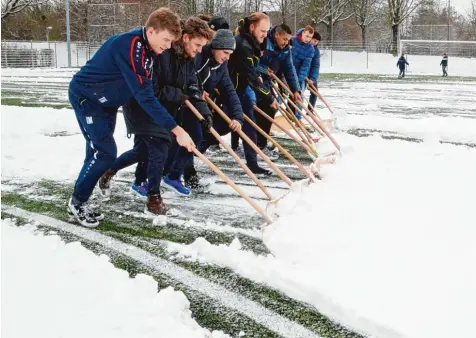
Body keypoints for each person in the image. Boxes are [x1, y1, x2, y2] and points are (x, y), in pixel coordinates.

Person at [67, 8, 193, 227]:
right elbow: (145, 96)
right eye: (165, 40)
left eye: (171, 41)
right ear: (151, 31)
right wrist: (176, 129)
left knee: (97, 152)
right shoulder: (132, 46)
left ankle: (79, 202)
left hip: (106, 102)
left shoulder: (149, 48)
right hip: (88, 98)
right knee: (105, 153)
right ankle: (77, 202)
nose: (168, 46)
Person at [161, 17, 215, 196]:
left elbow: (193, 86)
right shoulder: (166, 54)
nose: (199, 51)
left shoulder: (188, 59)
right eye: (197, 45)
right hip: (159, 106)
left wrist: (205, 112)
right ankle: (115, 172)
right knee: (146, 150)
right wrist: (179, 95)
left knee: (196, 135)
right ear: (185, 38)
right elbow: (156, 87)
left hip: (177, 105)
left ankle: (173, 176)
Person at [183, 27, 243, 188]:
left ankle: (184, 170)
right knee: (191, 134)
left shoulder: (221, 65)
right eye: (225, 53)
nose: (227, 58)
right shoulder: (199, 56)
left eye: (230, 54)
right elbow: (187, 77)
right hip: (183, 100)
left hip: (198, 103)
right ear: (216, 47)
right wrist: (197, 91)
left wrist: (238, 117)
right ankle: (182, 172)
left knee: (202, 133)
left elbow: (230, 90)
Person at [227, 12, 276, 175]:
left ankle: (252, 163)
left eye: (267, 31)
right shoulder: (242, 45)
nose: (265, 35)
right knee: (214, 130)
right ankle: (181, 166)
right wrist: (268, 97)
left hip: (240, 92)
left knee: (250, 126)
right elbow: (250, 75)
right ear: (252, 27)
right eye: (263, 31)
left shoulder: (251, 42)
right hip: (228, 93)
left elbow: (252, 72)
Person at [255, 23, 301, 155]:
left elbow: (289, 69)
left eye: (288, 39)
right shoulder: (263, 42)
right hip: (253, 80)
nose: (286, 42)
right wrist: (263, 69)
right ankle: (253, 143)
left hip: (267, 81)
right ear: (276, 35)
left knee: (271, 108)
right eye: (284, 39)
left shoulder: (286, 49)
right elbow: (250, 63)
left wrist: (295, 90)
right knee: (258, 111)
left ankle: (261, 143)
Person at [291, 26, 315, 94]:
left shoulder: (310, 49)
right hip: (285, 71)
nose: (308, 39)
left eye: (310, 37)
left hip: (298, 74)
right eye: (307, 36)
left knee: (299, 95)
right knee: (283, 93)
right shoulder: (292, 40)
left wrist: (299, 80)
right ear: (302, 33)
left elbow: (305, 67)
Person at [308, 31, 321, 109]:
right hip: (301, 73)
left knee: (314, 92)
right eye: (315, 41)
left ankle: (310, 110)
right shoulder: (304, 46)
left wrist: (313, 78)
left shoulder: (316, 51)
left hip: (310, 74)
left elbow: (316, 65)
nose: (315, 43)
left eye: (317, 42)